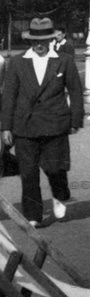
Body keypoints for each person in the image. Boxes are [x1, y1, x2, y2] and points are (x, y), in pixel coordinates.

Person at [0, 18, 84, 227]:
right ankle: (33, 215)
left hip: (55, 124)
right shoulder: (17, 62)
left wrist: (76, 119)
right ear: (30, 41)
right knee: (28, 173)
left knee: (55, 168)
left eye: (43, 40)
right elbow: (9, 96)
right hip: (24, 126)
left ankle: (59, 194)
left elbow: (75, 91)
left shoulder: (64, 60)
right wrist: (6, 127)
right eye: (35, 40)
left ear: (50, 39)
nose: (39, 45)